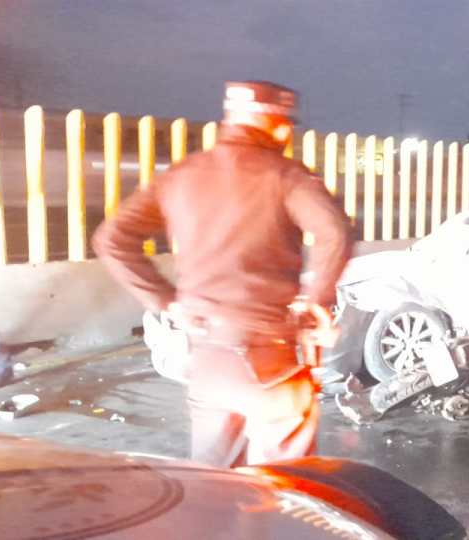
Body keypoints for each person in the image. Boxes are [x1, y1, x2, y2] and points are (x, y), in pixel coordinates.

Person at [94, 81, 351, 467]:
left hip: (206, 358)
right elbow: (335, 233)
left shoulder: (182, 175)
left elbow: (111, 239)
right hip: (271, 358)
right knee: (290, 488)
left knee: (213, 484)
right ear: (278, 124)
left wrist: (166, 302)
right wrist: (316, 302)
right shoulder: (285, 175)